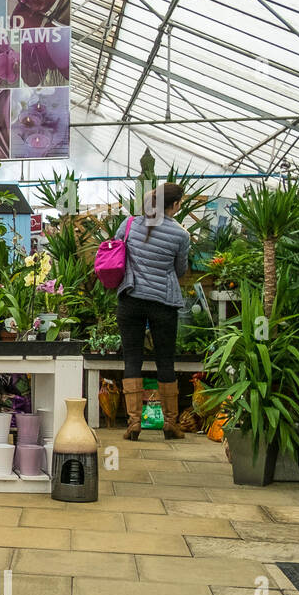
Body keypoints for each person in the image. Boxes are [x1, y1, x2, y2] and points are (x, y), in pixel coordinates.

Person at [117, 182, 190, 440]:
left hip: (131, 298)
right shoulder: (181, 235)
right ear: (175, 205)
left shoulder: (130, 225)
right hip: (163, 302)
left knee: (132, 359)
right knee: (165, 360)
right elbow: (180, 270)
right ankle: (171, 423)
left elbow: (116, 253)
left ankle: (134, 423)